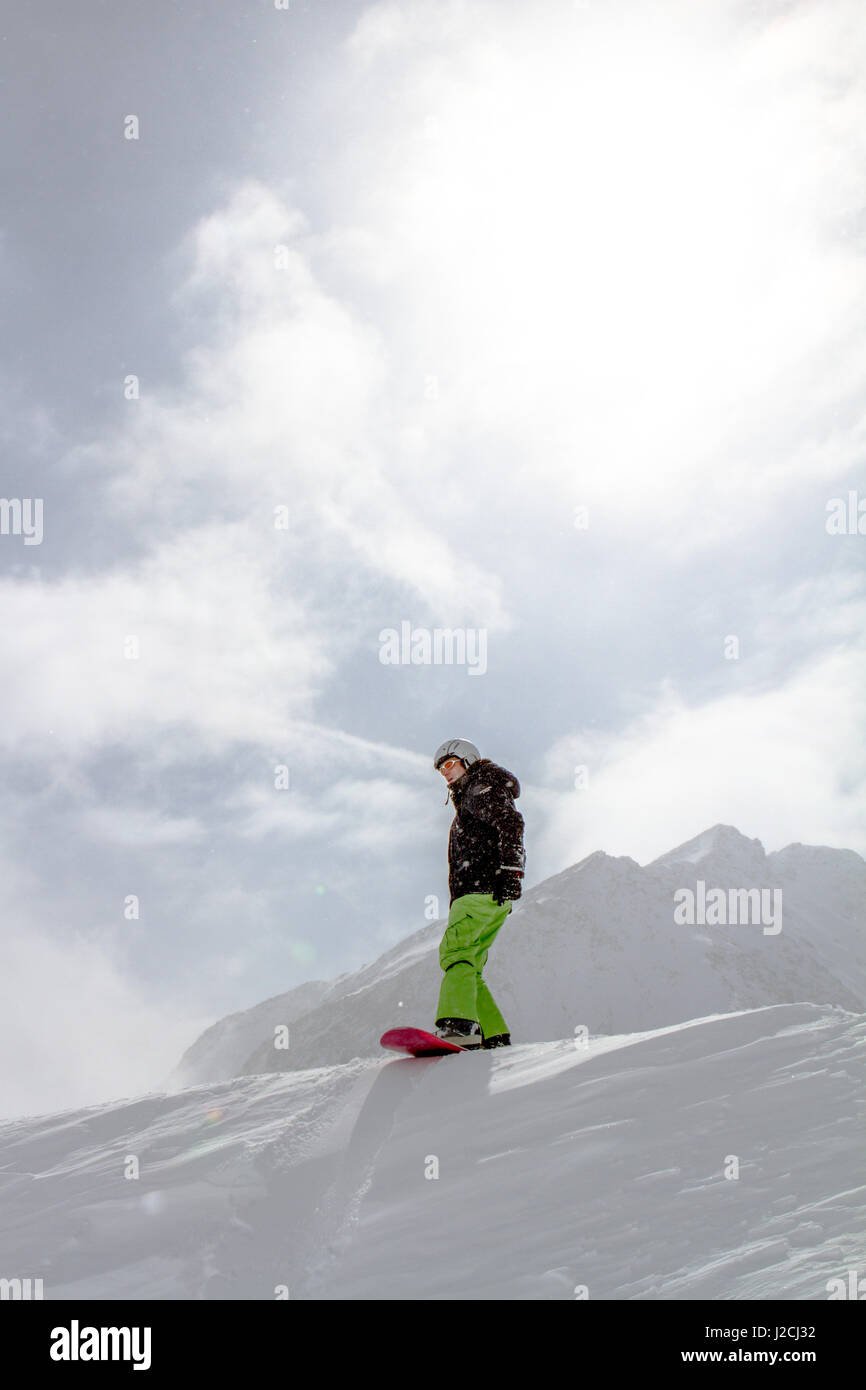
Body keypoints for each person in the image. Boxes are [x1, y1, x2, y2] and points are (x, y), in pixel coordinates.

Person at [432, 738, 525, 1049]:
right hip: (492, 895)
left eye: (450, 764)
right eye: (441, 768)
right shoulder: (477, 792)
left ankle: (457, 1025)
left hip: (478, 890)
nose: (445, 772)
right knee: (470, 963)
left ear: (468, 760)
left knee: (456, 953)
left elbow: (511, 823)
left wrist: (512, 870)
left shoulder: (479, 787)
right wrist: (510, 876)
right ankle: (493, 1034)